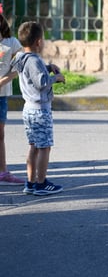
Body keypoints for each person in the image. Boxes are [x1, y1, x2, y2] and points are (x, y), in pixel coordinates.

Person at [10, 21, 66, 196]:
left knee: (34, 146)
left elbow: (30, 74)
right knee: (44, 147)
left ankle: (30, 182)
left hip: (28, 109)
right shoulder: (34, 60)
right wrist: (56, 78)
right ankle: (41, 184)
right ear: (39, 42)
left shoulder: (21, 57)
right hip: (40, 110)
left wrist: (48, 68)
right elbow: (41, 82)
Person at [0, 11, 25, 185]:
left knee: (0, 135)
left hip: (2, 95)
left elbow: (21, 63)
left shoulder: (11, 43)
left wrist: (5, 80)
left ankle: (3, 172)